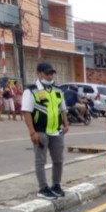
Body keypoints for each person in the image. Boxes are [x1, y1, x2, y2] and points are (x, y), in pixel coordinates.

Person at [21, 62, 69, 200]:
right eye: (47, 73)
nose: (49, 76)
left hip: (56, 131)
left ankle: (56, 185)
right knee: (40, 160)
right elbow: (26, 112)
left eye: (51, 73)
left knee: (58, 160)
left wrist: (66, 124)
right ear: (39, 73)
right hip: (40, 130)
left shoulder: (57, 90)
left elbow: (62, 109)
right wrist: (32, 132)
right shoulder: (31, 90)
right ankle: (43, 188)